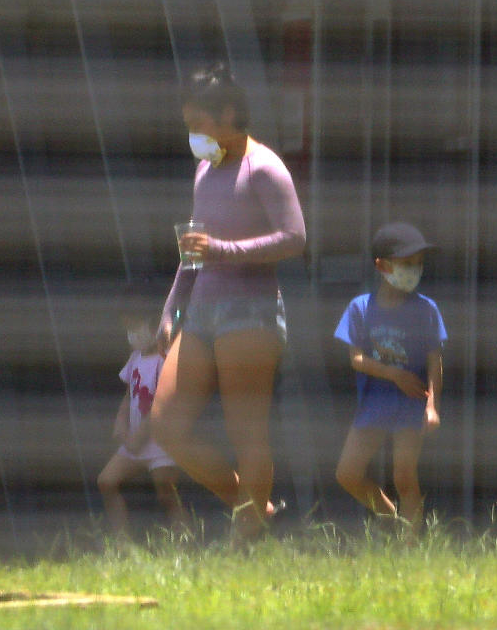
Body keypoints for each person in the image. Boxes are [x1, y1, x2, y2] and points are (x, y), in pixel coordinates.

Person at [149, 62, 306, 540]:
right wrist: (172, 307)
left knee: (246, 432)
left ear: (229, 113)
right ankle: (251, 510)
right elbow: (194, 246)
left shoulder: (264, 167)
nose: (194, 136)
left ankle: (246, 539)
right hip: (201, 312)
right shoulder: (205, 168)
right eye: (189, 127)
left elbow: (295, 238)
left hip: (250, 314)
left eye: (199, 125)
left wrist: (225, 251)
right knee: (165, 426)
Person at [333, 222, 445, 535]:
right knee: (348, 473)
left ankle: (410, 549)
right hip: (373, 404)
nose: (415, 271)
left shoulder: (426, 310)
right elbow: (356, 359)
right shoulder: (360, 308)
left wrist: (433, 406)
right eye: (407, 264)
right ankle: (391, 517)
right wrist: (394, 374)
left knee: (405, 476)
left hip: (412, 404)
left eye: (419, 264)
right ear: (382, 266)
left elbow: (436, 360)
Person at [97, 297, 186, 537]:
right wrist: (121, 423)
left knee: (165, 491)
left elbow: (161, 403)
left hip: (159, 442)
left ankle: (184, 542)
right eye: (128, 329)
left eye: (135, 328)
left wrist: (139, 436)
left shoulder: (164, 360)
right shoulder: (135, 359)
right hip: (135, 442)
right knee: (107, 481)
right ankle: (121, 544)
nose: (131, 334)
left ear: (154, 324)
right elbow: (129, 395)